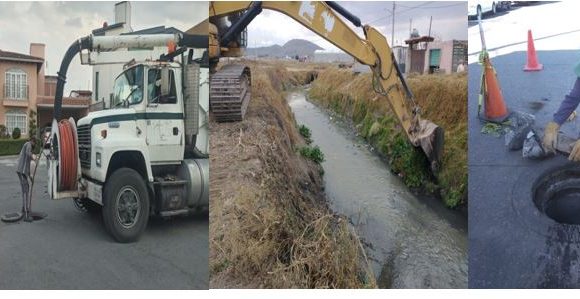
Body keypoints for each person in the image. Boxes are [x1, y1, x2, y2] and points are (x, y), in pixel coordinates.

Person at [16, 136, 36, 222]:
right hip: (21, 171)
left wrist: (31, 178)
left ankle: (25, 207)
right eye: (34, 143)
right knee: (25, 190)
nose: (33, 145)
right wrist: (33, 156)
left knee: (26, 189)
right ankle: (25, 210)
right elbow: (28, 153)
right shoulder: (28, 144)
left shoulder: (27, 145)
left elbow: (27, 167)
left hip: (22, 171)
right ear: (32, 141)